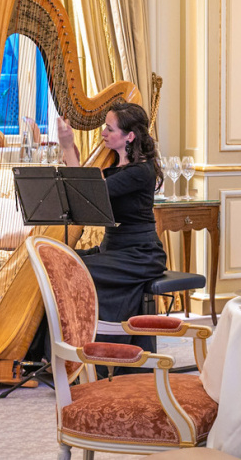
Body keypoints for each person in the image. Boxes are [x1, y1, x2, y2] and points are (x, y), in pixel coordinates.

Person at [57, 101, 167, 353]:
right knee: (57, 259)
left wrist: (67, 147)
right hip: (113, 250)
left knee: (74, 267)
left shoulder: (140, 172)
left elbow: (85, 196)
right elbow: (83, 191)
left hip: (140, 254)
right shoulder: (116, 168)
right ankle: (63, 346)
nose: (103, 133)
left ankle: (88, 347)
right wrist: (68, 149)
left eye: (109, 128)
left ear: (129, 136)